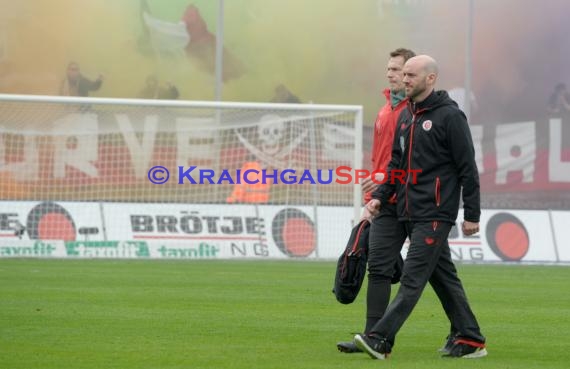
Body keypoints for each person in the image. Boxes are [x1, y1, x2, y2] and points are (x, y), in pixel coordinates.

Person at [354, 55, 487, 359]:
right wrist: (379, 197)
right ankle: (470, 338)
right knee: (444, 278)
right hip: (408, 211)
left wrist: (472, 215)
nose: (404, 79)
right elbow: (397, 166)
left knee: (412, 280)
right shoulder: (407, 116)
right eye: (404, 74)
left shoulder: (451, 117)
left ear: (430, 79)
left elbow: (468, 168)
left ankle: (380, 339)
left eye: (411, 75)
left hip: (436, 213)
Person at [336, 47, 415, 353]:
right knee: (378, 268)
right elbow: (381, 159)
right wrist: (374, 194)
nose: (391, 74)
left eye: (397, 69)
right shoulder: (386, 109)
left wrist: (383, 183)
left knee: (439, 276)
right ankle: (373, 337)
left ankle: (465, 331)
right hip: (385, 200)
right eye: (390, 69)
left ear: (412, 74)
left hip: (413, 200)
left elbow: (409, 160)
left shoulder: (415, 112)